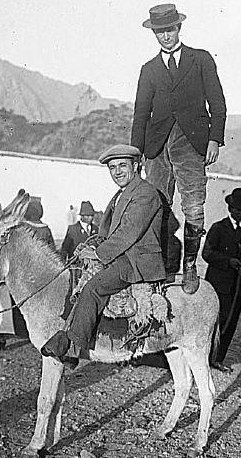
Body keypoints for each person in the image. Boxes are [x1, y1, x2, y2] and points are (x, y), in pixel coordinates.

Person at [130, 3, 227, 294]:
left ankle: (190, 266)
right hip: (156, 148)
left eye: (169, 29)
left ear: (179, 28)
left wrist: (214, 139)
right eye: (159, 31)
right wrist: (137, 155)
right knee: (157, 208)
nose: (165, 36)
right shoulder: (148, 70)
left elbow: (218, 103)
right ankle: (158, 269)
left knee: (194, 208)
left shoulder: (201, 60)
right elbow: (140, 114)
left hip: (192, 142)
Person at [41, 144, 166, 362]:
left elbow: (129, 233)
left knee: (93, 288)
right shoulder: (121, 194)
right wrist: (90, 245)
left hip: (136, 259)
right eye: (112, 168)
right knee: (76, 280)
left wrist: (98, 254)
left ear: (135, 166)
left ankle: (73, 348)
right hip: (122, 254)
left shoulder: (145, 193)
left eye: (122, 166)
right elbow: (107, 232)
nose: (117, 172)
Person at [202, 188, 241, 371]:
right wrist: (229, 261)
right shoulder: (219, 228)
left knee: (231, 322)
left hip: (238, 286)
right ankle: (203, 358)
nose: (240, 213)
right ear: (230, 208)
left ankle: (218, 358)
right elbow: (207, 253)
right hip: (219, 284)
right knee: (213, 322)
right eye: (237, 209)